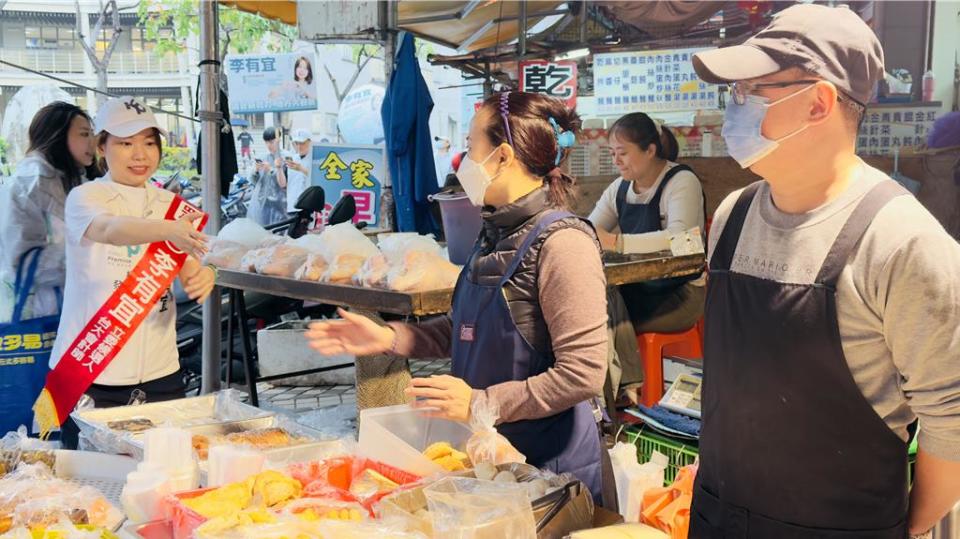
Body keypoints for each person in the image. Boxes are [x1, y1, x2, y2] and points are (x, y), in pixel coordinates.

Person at [688, 5, 960, 537]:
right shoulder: (731, 216)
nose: (734, 107)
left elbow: (952, 429)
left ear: (818, 102)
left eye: (752, 90)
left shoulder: (903, 243)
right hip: (716, 517)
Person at [306, 91, 614, 505]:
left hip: (550, 471)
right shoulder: (492, 234)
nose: (464, 161)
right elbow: (465, 327)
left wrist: (480, 402)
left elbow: (583, 373)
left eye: (471, 147)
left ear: (503, 157)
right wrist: (390, 339)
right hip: (493, 458)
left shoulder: (563, 244)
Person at [50, 96, 215, 448]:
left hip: (161, 372)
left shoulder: (171, 206)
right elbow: (109, 230)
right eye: (126, 143)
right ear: (102, 147)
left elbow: (188, 266)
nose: (140, 155)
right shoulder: (85, 197)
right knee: (89, 486)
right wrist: (167, 230)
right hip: (92, 366)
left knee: (163, 475)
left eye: (149, 143)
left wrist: (203, 275)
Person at [587, 113, 706, 405]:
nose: (617, 160)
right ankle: (620, 394)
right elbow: (589, 229)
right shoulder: (620, 189)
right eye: (613, 153)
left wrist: (617, 242)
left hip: (682, 295)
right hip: (637, 292)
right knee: (591, 308)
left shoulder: (681, 182)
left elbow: (683, 240)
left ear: (650, 150)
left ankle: (619, 399)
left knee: (598, 319)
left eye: (623, 153)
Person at [0, 102, 98, 325]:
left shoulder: (72, 177)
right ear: (57, 134)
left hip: (74, 306)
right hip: (41, 313)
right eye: (84, 134)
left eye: (92, 134)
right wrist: (93, 258)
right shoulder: (28, 183)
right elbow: (22, 262)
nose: (92, 142)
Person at [247, 126, 287, 226]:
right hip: (263, 203)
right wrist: (255, 171)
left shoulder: (286, 157)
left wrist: (271, 170)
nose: (269, 145)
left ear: (278, 140)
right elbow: (254, 181)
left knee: (279, 232)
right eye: (266, 142)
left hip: (280, 204)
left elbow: (285, 183)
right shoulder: (262, 157)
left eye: (271, 142)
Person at [285, 128, 313, 213]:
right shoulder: (291, 159)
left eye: (302, 143)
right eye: (296, 143)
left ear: (309, 142)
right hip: (291, 206)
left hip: (307, 207)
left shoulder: (314, 160)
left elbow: (318, 178)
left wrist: (301, 169)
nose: (299, 146)